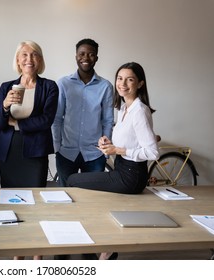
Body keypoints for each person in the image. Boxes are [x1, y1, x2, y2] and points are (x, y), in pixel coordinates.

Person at [67, 62, 160, 260]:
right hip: (122, 170)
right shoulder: (125, 108)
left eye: (130, 79)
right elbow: (128, 140)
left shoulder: (139, 111)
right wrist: (108, 141)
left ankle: (103, 246)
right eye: (120, 78)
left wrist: (117, 149)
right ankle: (105, 245)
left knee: (73, 180)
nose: (123, 83)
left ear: (140, 83)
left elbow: (152, 152)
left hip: (131, 175)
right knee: (90, 191)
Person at [0, 40, 58, 189]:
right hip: (9, 150)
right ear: (17, 60)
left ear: (40, 60)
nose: (29, 59)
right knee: (9, 196)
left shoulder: (49, 86)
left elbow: (46, 120)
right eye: (24, 55)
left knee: (35, 196)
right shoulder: (6, 87)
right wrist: (4, 106)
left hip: (36, 151)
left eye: (34, 55)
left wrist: (17, 123)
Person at [52, 38, 114, 187]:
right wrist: (57, 148)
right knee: (65, 195)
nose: (86, 58)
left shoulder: (105, 86)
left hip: (94, 153)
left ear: (96, 58)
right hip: (66, 152)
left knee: (92, 197)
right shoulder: (63, 84)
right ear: (76, 56)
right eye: (82, 54)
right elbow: (57, 118)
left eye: (91, 54)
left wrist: (105, 150)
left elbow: (107, 121)